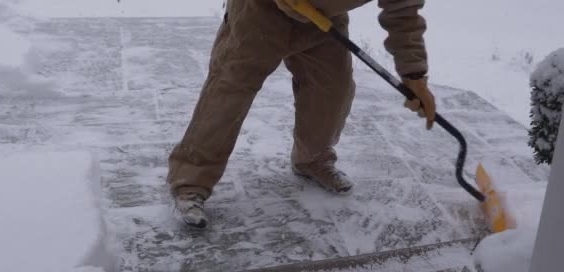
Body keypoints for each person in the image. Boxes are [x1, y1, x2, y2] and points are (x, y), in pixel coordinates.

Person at [167, 0, 436, 228]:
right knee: (229, 92)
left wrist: (414, 75)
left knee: (333, 90)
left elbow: (404, 12)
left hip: (322, 18)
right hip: (260, 13)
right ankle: (190, 181)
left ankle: (313, 159)